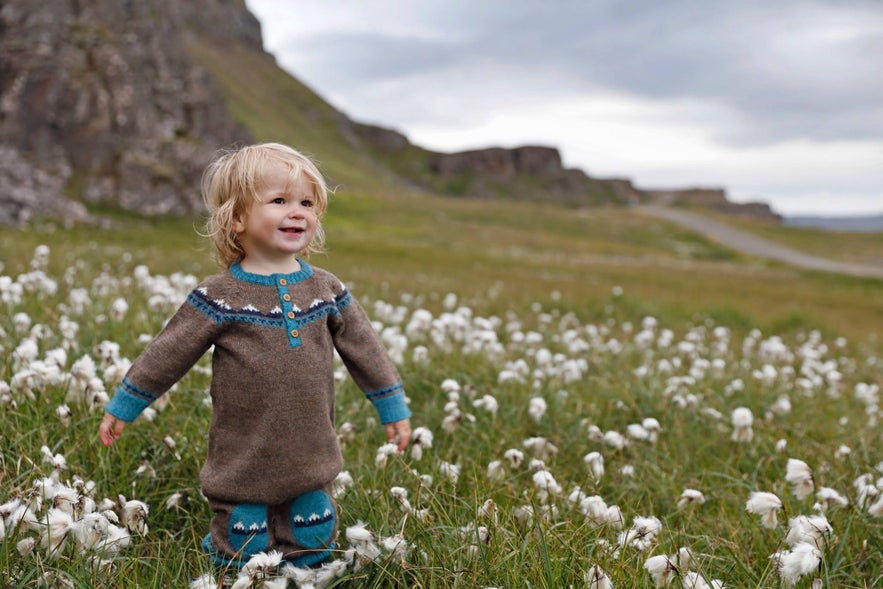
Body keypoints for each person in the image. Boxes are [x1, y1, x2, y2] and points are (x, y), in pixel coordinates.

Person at [98, 142, 412, 570]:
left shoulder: (326, 289)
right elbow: (168, 353)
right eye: (280, 201)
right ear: (238, 218)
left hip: (311, 450)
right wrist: (127, 403)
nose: (297, 211)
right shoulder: (220, 296)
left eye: (306, 202)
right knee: (241, 550)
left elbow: (366, 349)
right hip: (242, 455)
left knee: (313, 540)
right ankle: (237, 546)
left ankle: (305, 551)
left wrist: (390, 404)